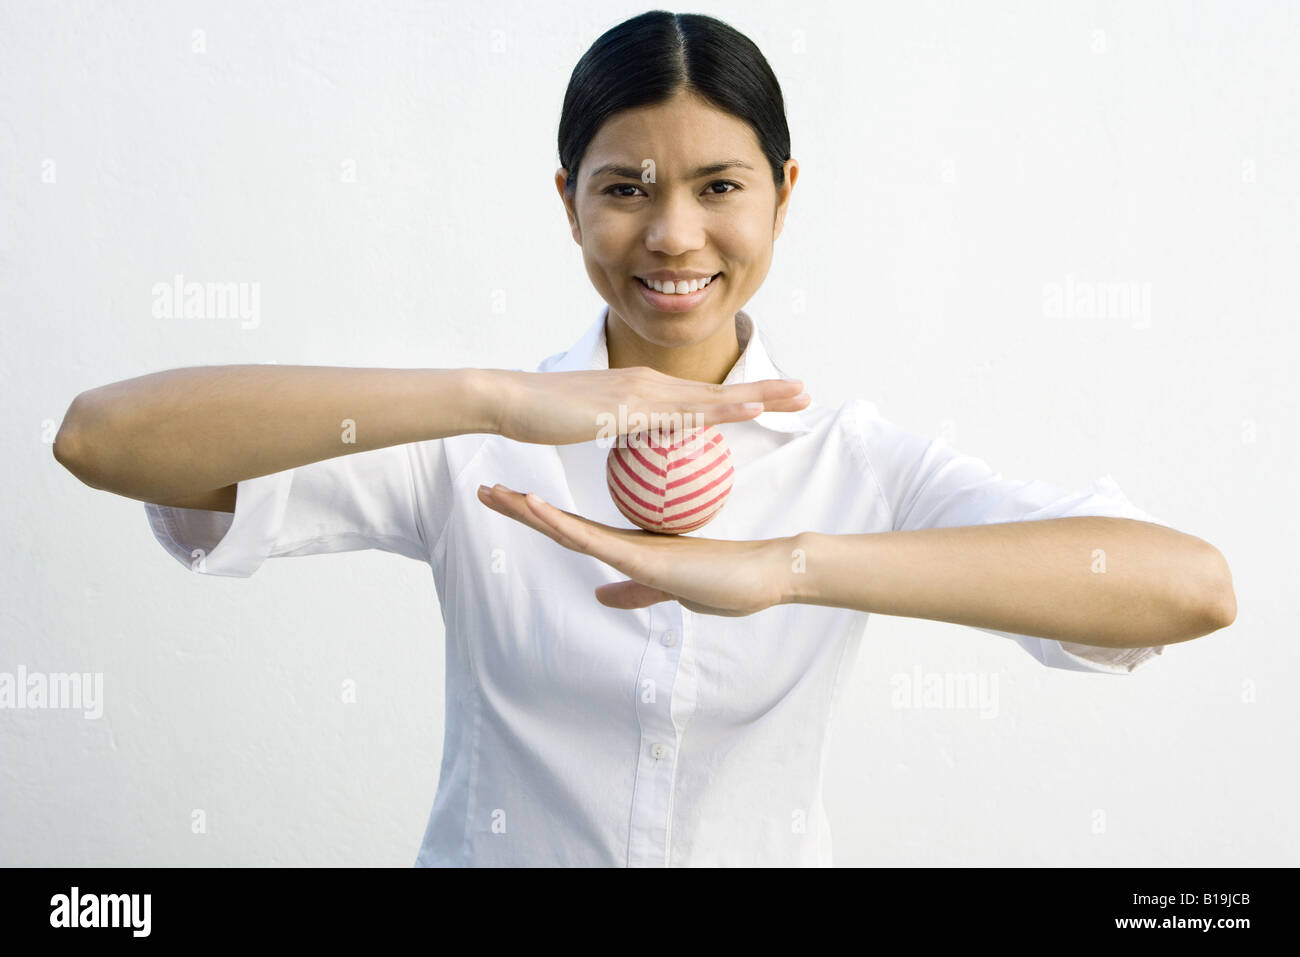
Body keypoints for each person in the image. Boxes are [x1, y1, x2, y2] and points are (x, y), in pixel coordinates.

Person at [52, 10, 1235, 867]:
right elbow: (106, 440)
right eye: (623, 189)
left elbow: (1184, 587)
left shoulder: (858, 463)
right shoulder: (478, 445)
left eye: (720, 186)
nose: (674, 234)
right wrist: (497, 401)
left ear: (783, 192)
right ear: (565, 197)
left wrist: (790, 567)